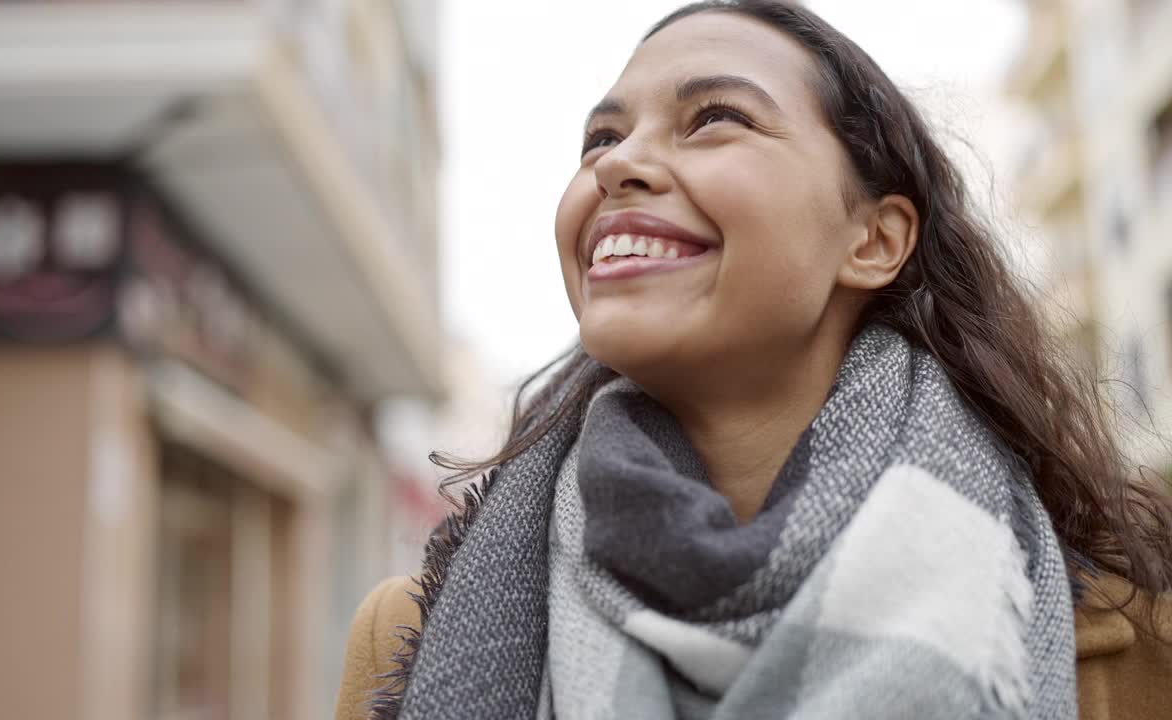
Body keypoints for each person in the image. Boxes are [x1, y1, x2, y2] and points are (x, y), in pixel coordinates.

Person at [338, 2, 1172, 718]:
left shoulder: (1136, 650)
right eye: (601, 137)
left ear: (875, 240)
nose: (617, 164)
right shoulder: (404, 642)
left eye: (714, 119)